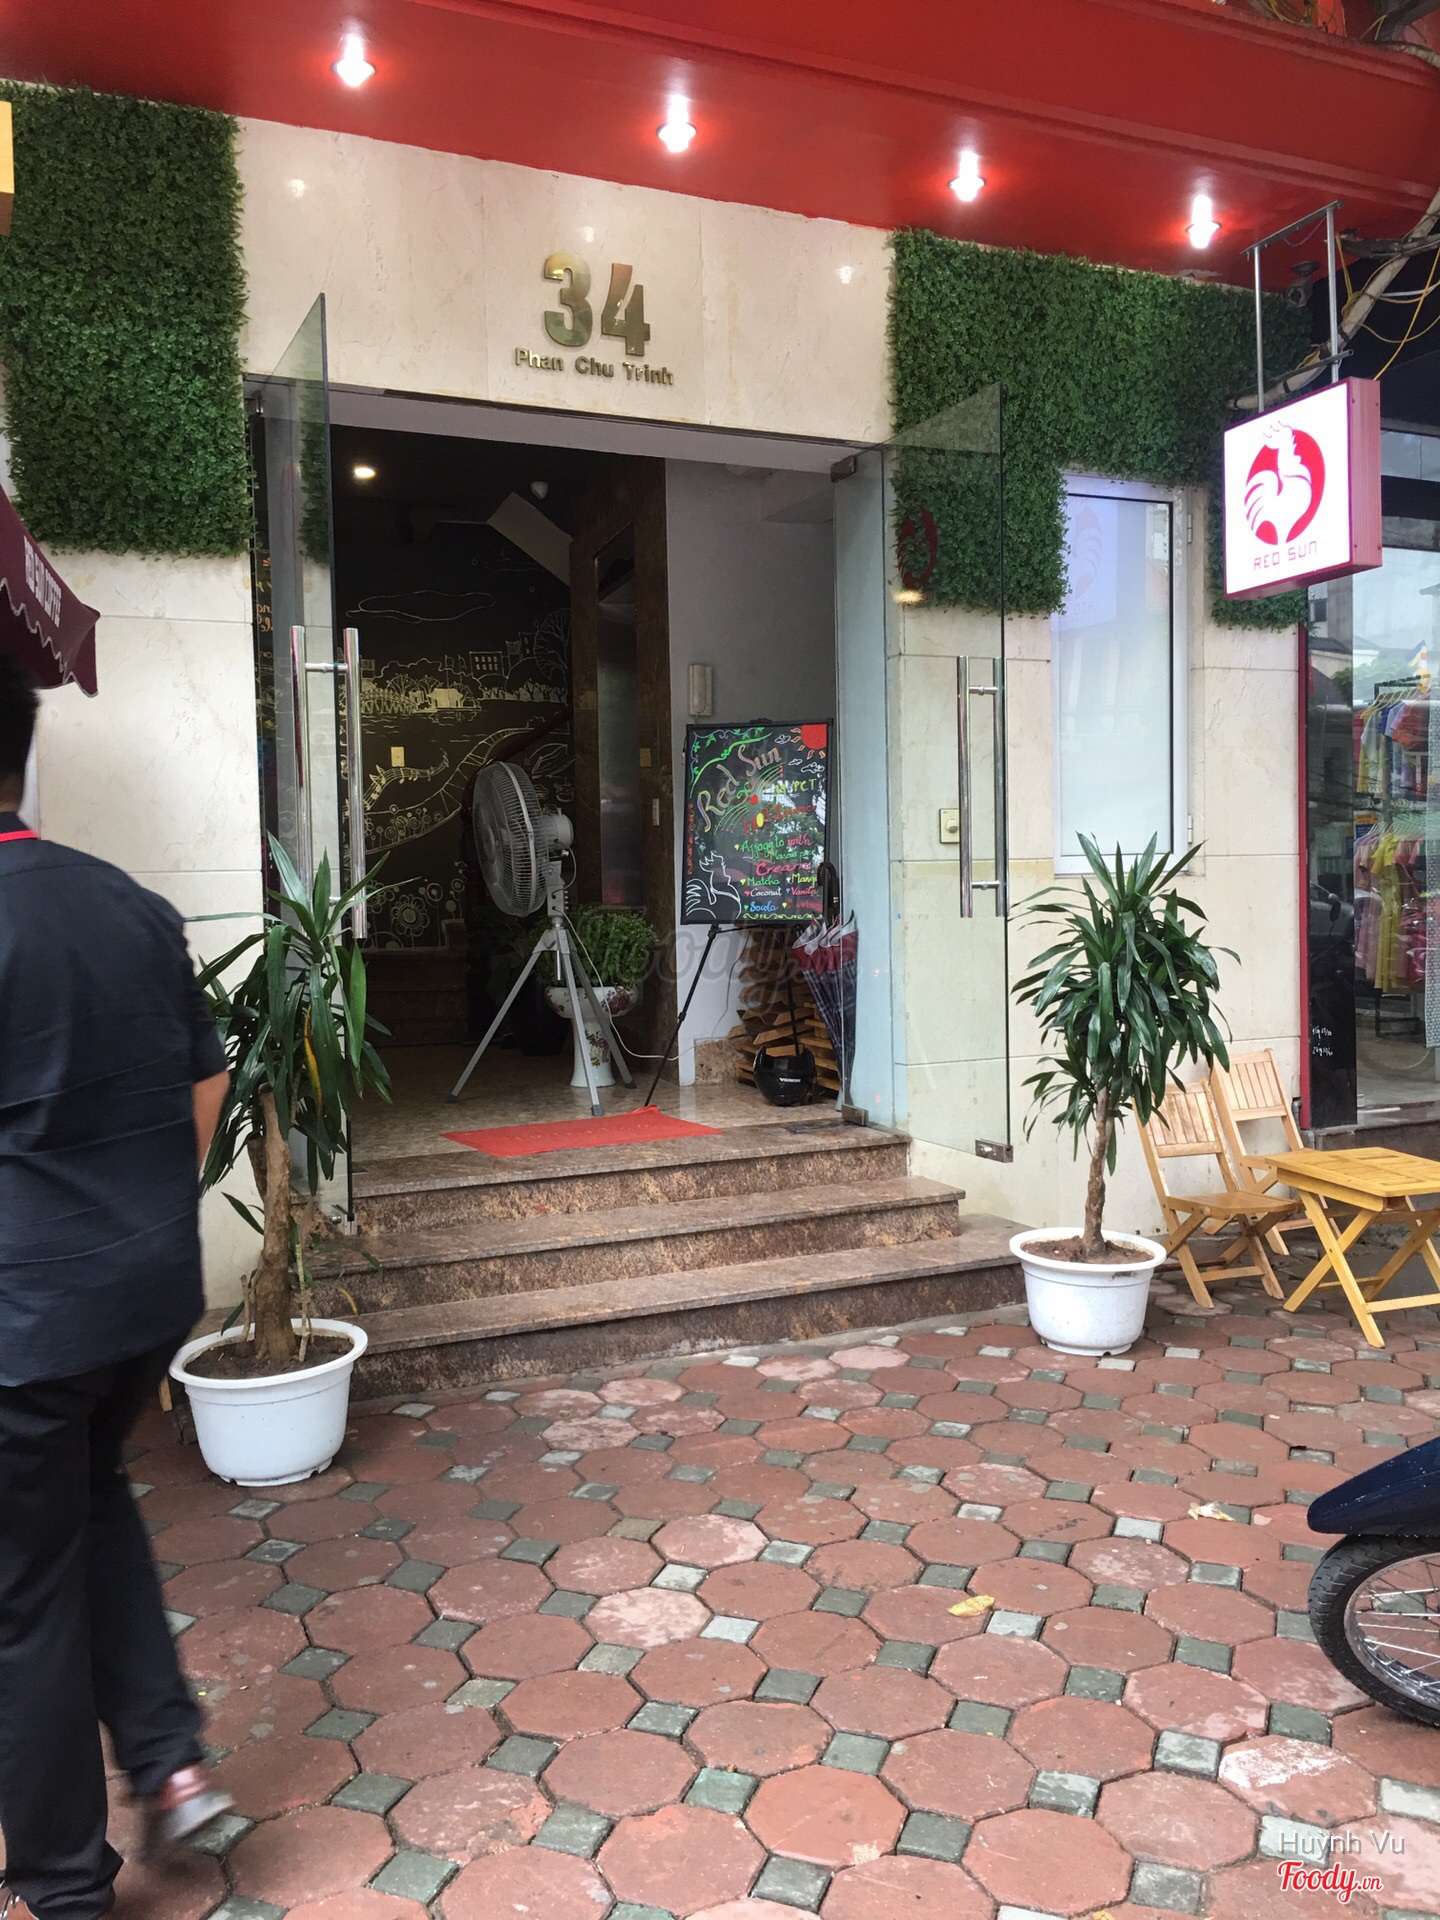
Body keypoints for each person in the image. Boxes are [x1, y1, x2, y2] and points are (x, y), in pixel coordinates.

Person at [0, 658, 234, 1920]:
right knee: (88, 1499)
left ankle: (63, 1885)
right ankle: (168, 1756)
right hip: (142, 1295)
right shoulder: (130, 905)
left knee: (22, 1597)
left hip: (24, 1324)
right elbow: (205, 1088)